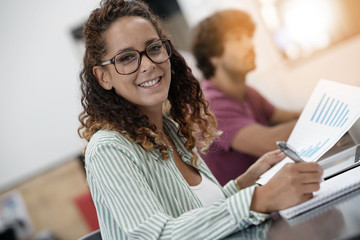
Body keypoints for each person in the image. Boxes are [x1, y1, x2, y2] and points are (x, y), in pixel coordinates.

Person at [78, 1, 323, 239]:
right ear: (103, 77)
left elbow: (198, 217)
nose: (149, 65)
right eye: (126, 58)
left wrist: (244, 183)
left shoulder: (171, 131)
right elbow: (159, 236)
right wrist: (258, 199)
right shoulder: (108, 149)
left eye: (153, 48)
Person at [191, 9, 301, 186]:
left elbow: (293, 117)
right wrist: (326, 119)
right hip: (244, 209)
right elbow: (271, 142)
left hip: (270, 194)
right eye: (237, 39)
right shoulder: (209, 105)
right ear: (213, 56)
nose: (250, 45)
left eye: (249, 37)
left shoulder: (248, 93)